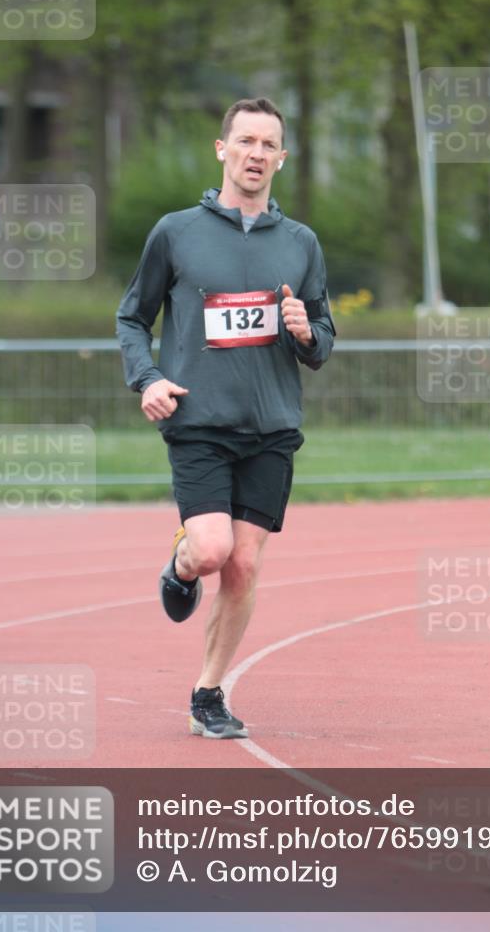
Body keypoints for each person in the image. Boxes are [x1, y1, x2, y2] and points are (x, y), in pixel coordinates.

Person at [116, 97, 335, 739]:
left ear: (282, 158)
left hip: (271, 427)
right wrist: (148, 377)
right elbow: (133, 317)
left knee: (243, 565)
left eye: (268, 144)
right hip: (200, 423)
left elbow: (321, 334)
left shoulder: (300, 244)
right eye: (245, 141)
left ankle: (207, 693)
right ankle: (180, 563)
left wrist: (305, 330)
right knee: (211, 552)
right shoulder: (176, 232)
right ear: (222, 149)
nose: (255, 154)